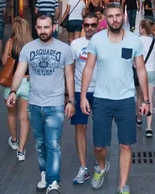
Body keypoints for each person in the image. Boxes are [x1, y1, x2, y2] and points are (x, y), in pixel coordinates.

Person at [80, 3, 150, 194]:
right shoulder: (96, 40)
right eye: (110, 16)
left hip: (126, 99)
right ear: (105, 18)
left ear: (124, 16)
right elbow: (88, 68)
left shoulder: (134, 41)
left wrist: (145, 100)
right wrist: (83, 96)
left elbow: (141, 71)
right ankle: (102, 167)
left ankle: (123, 186)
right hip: (102, 99)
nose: (115, 19)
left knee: (125, 145)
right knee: (99, 145)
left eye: (118, 15)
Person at [6, 15, 75, 194]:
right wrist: (13, 91)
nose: (43, 31)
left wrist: (71, 101)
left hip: (55, 104)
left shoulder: (64, 49)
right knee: (40, 143)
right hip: (35, 103)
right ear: (35, 28)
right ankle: (44, 174)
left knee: (53, 144)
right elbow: (19, 72)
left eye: (46, 27)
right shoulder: (28, 48)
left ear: (53, 27)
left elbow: (69, 76)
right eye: (39, 27)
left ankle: (53, 182)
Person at [69, 13, 99, 185]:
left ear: (97, 25)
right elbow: (70, 72)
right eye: (87, 25)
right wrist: (71, 97)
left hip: (101, 92)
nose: (89, 28)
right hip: (82, 92)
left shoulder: (105, 42)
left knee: (99, 129)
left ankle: (99, 160)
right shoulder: (75, 44)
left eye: (93, 25)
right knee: (80, 128)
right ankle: (83, 167)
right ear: (82, 25)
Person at [2, 17, 33, 161]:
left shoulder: (11, 42)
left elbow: (3, 62)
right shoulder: (32, 44)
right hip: (26, 82)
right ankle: (21, 150)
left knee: (11, 114)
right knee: (24, 117)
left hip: (11, 83)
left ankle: (14, 140)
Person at [137, 19, 155, 137]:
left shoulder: (137, 41)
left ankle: (139, 118)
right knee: (150, 99)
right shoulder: (154, 41)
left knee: (140, 97)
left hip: (140, 72)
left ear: (142, 29)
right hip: (151, 71)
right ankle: (149, 128)